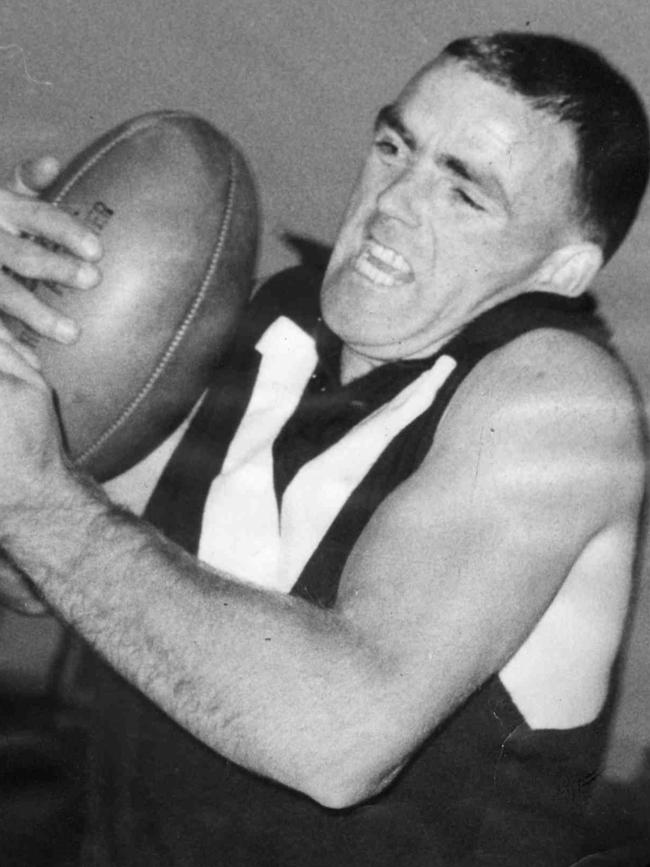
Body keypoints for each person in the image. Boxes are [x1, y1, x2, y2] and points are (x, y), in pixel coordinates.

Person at [0, 31, 647, 867]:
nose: (392, 203)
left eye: (465, 193)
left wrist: (35, 499)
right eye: (394, 148)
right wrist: (27, 348)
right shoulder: (273, 326)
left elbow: (344, 739)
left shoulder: (558, 398)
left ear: (562, 269)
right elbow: (33, 570)